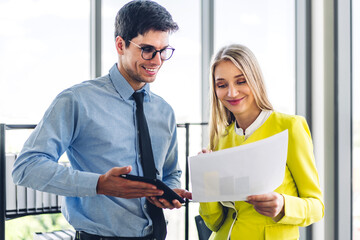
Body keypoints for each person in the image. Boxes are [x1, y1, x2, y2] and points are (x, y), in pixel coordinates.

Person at [12, 1, 191, 239]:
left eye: (164, 51)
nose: (157, 61)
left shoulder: (164, 111)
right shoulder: (77, 100)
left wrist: (168, 192)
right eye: (147, 49)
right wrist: (98, 184)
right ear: (120, 44)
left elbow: (170, 171)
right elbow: (26, 167)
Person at [198, 44, 324, 240]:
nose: (231, 93)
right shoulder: (220, 139)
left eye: (241, 81)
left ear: (255, 80)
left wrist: (283, 205)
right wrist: (206, 182)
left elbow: (317, 207)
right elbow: (213, 222)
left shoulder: (289, 127)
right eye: (222, 85)